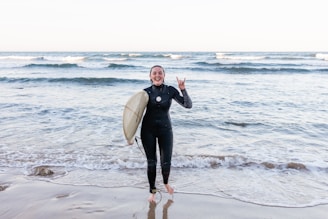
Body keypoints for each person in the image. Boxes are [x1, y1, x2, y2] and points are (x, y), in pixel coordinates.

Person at [141, 65, 192, 202]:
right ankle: (152, 191)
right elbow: (135, 114)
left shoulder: (170, 91)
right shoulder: (144, 93)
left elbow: (188, 105)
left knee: (166, 162)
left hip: (165, 130)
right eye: (154, 73)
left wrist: (183, 90)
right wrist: (129, 135)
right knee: (151, 162)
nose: (157, 75)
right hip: (147, 131)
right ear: (150, 76)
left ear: (164, 75)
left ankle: (165, 183)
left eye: (160, 73)